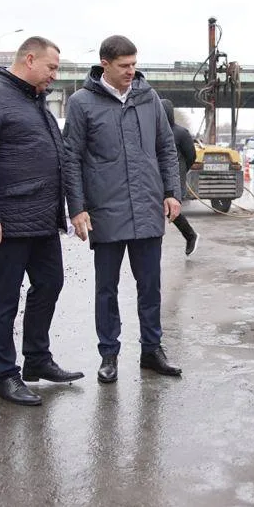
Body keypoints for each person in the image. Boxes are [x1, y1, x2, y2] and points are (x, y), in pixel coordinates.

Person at [0, 36, 84, 407]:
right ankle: (5, 376)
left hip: (43, 219)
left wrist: (73, 208)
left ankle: (37, 359)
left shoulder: (36, 103)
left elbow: (61, 159)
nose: (54, 75)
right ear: (30, 59)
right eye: (52, 68)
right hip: (8, 221)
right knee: (4, 300)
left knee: (50, 283)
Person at [63, 35, 184, 384]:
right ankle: (109, 354)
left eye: (134, 64)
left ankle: (152, 350)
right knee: (107, 288)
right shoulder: (82, 103)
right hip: (105, 210)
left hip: (147, 208)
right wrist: (78, 208)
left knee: (150, 286)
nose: (132, 71)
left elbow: (165, 148)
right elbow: (71, 159)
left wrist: (172, 192)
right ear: (105, 64)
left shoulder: (150, 101)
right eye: (124, 66)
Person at [161, 98, 199, 256]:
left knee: (171, 210)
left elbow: (191, 156)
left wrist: (181, 171)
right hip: (157, 178)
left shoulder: (181, 133)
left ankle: (191, 235)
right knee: (161, 210)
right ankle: (190, 236)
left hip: (175, 178)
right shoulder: (154, 132)